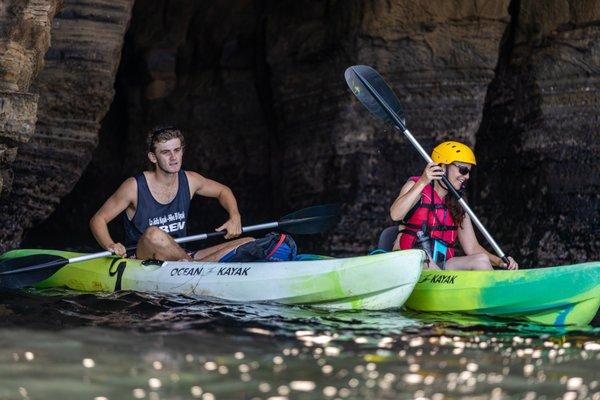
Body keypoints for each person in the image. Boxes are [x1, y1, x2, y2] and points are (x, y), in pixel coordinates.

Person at [90, 126, 253, 261]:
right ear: (153, 157)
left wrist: (235, 216)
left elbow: (223, 191)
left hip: (182, 258)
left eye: (177, 150)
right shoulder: (134, 186)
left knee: (249, 242)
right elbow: (98, 219)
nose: (173, 157)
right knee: (154, 234)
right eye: (166, 152)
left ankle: (194, 267)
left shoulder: (190, 180)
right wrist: (110, 245)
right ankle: (196, 269)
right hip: (142, 259)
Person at [389, 141, 518, 270]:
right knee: (424, 258)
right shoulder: (416, 186)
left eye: (468, 172)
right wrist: (423, 181)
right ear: (443, 167)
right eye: (463, 170)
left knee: (481, 260)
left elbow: (472, 247)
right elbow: (395, 214)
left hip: (441, 268)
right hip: (411, 263)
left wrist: (499, 261)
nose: (466, 176)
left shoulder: (459, 203)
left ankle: (495, 288)